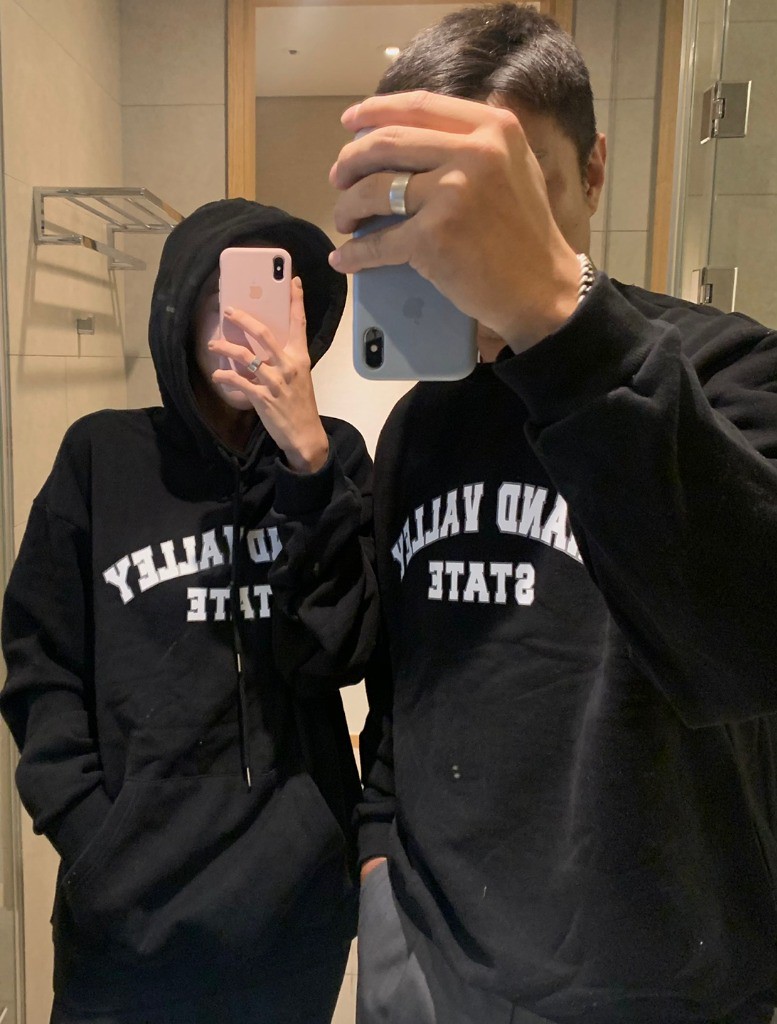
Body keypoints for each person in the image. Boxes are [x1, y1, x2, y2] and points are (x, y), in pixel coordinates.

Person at [327, 6, 777, 1024]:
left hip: (669, 991)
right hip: (432, 963)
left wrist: (555, 321)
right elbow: (404, 684)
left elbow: (751, 645)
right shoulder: (421, 424)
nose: (466, 240)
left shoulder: (731, 370)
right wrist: (378, 860)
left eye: (510, 192)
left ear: (595, 169)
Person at [1, 198, 378, 1023]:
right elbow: (40, 664)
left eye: (271, 303)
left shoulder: (334, 457)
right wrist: (93, 840)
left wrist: (307, 469)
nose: (245, 326)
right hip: (126, 924)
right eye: (221, 298)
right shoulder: (100, 457)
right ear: (177, 313)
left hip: (294, 921)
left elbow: (342, 652)